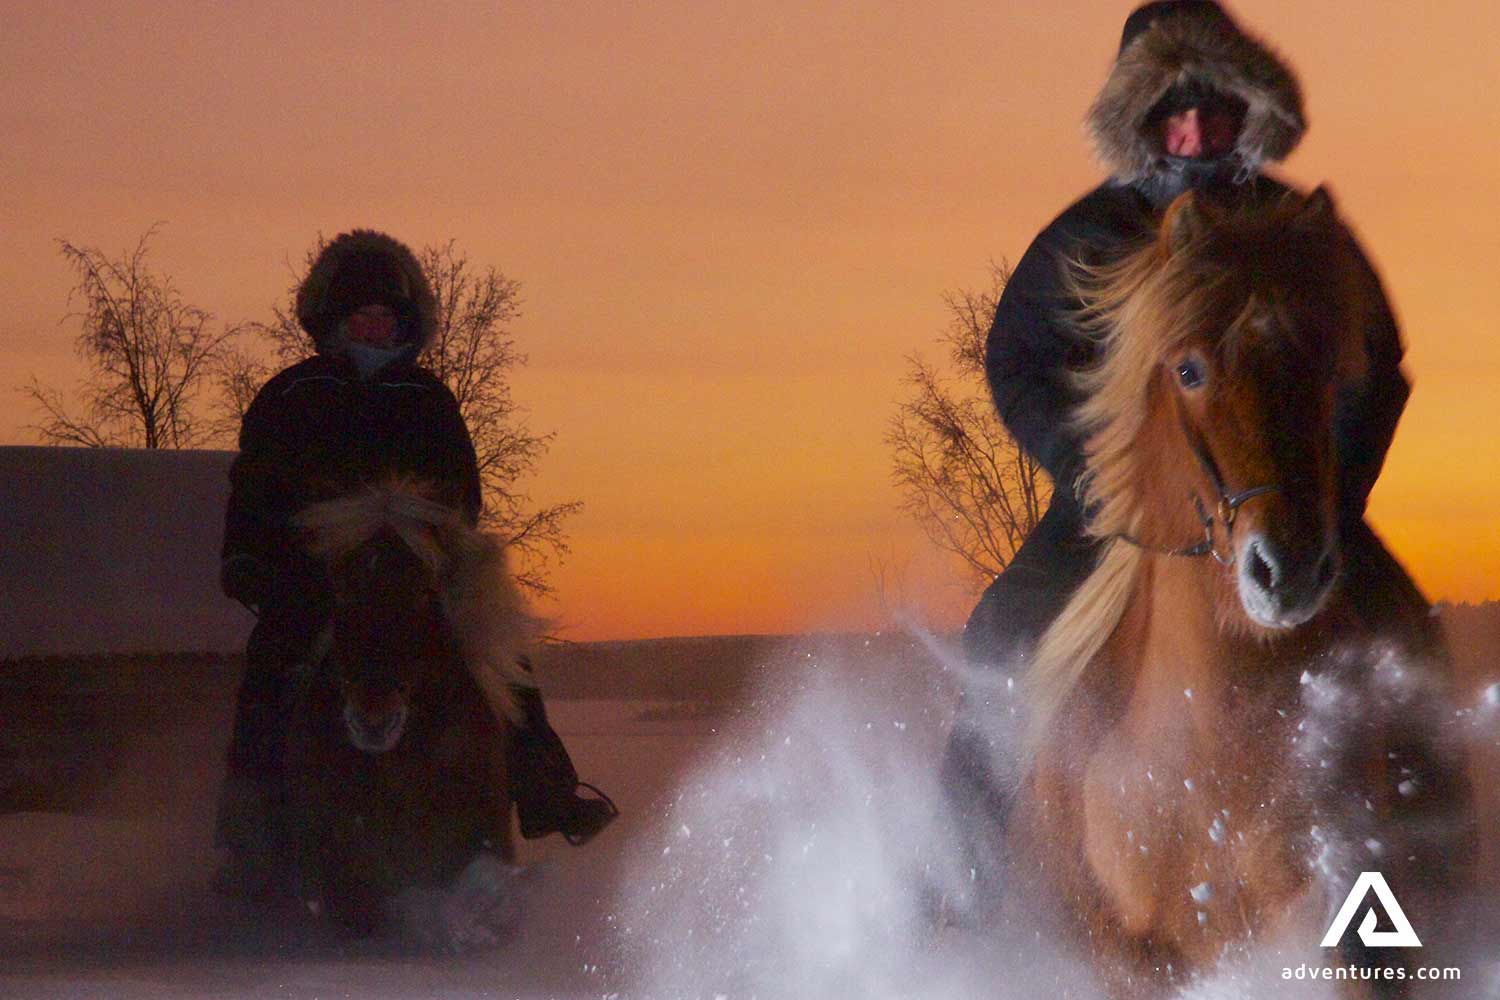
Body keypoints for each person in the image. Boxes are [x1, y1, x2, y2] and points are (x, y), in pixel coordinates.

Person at [941, 0, 1435, 912]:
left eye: (1216, 107)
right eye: (1176, 109)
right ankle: (955, 886)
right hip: (1114, 507)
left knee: (1405, 634)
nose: (1198, 128)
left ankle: (1429, 875)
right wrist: (1089, 469)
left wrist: (1336, 489)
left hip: (1285, 502)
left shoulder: (1299, 230)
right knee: (1003, 636)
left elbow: (1379, 365)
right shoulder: (1091, 234)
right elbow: (1014, 359)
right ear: (1141, 122)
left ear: (1251, 112)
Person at [215, 229, 616, 895]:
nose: (372, 329)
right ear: (333, 322)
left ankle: (545, 789)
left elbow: (463, 491)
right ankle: (250, 832)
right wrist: (247, 556)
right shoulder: (293, 393)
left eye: (384, 317)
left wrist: (437, 544)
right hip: (315, 567)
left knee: (501, 658)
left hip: (420, 563)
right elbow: (253, 485)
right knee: (272, 667)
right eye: (360, 316)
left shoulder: (427, 397)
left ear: (404, 324)